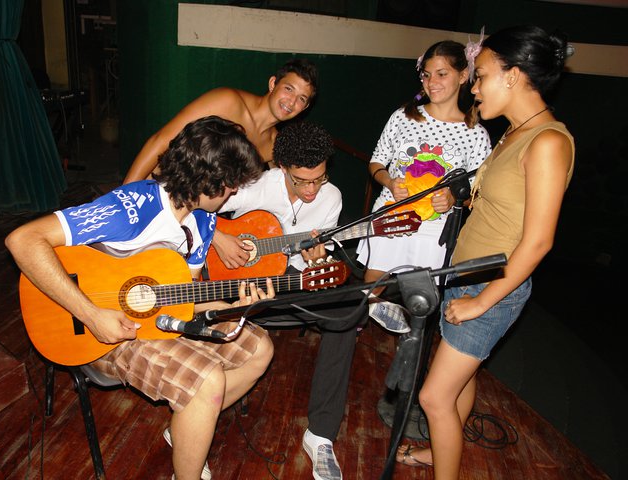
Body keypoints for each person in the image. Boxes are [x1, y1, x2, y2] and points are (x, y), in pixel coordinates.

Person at [5, 116, 277, 480]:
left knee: (260, 348)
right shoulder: (132, 206)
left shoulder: (204, 221)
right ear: (205, 179)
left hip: (152, 321)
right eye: (227, 187)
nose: (231, 196)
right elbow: (22, 240)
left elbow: (184, 299)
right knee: (207, 380)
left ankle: (185, 430)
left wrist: (237, 304)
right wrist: (90, 313)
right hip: (98, 331)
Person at [395, 26, 575, 479]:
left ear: (513, 76)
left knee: (433, 397)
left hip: (492, 286)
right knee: (460, 382)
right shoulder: (515, 132)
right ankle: (441, 451)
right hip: (466, 274)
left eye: (482, 75)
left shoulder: (548, 142)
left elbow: (538, 242)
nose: (474, 86)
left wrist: (481, 301)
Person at [215, 121, 365, 480]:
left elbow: (305, 260)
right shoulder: (254, 186)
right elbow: (196, 208)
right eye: (302, 181)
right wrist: (219, 236)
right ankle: (197, 413)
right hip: (234, 282)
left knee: (346, 309)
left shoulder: (332, 197)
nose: (313, 189)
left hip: (288, 281)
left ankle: (321, 434)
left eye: (320, 178)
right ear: (282, 168)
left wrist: (313, 258)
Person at [356, 40, 492, 332]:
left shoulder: (476, 135)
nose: (432, 82)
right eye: (426, 75)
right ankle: (355, 329)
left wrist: (454, 200)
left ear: (463, 75)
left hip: (435, 227)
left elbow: (477, 195)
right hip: (393, 213)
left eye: (442, 74)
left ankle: (412, 348)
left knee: (422, 301)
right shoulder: (403, 117)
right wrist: (390, 181)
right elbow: (376, 162)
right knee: (372, 288)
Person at [123, 58, 318, 183]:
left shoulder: (274, 145)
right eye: (288, 89)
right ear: (273, 83)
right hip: (155, 185)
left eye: (302, 99)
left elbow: (284, 185)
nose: (291, 102)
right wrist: (125, 194)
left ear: (305, 108)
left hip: (193, 213)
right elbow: (160, 141)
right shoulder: (228, 102)